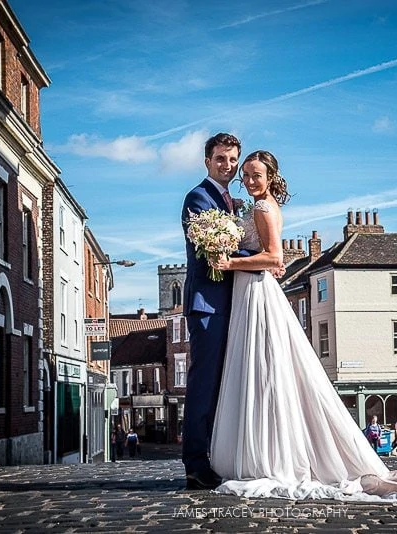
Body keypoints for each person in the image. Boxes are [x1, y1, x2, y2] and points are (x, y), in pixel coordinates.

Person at [207, 150, 397, 503]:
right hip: (249, 289)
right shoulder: (253, 207)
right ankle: (263, 448)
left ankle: (272, 454)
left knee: (266, 369)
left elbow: (275, 258)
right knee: (260, 370)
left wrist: (229, 260)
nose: (250, 181)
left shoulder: (265, 208)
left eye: (256, 175)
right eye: (246, 176)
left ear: (271, 178)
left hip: (255, 288)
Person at [180, 132, 248, 490]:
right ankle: (195, 462)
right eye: (221, 158)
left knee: (225, 385)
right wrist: (265, 258)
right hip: (207, 306)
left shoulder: (231, 203)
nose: (228, 165)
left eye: (233, 159)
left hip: (230, 304)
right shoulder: (198, 198)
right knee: (203, 385)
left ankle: (218, 456)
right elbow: (215, 254)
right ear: (207, 161)